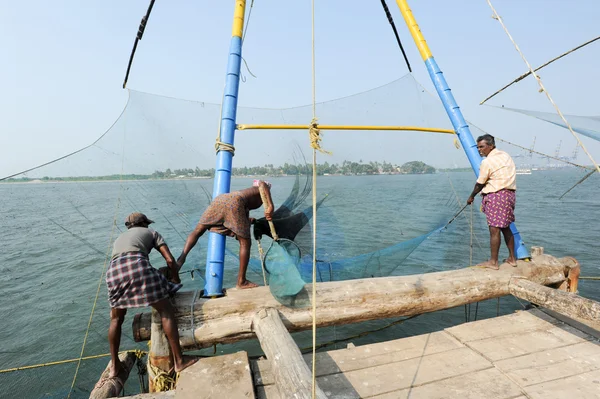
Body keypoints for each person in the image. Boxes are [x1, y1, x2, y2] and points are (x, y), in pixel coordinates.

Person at [106, 212, 197, 378]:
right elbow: (170, 261)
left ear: (129, 226)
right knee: (166, 312)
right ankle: (179, 361)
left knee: (116, 319)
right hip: (139, 269)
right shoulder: (152, 233)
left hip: (114, 273)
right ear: (145, 224)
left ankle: (114, 366)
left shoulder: (120, 238)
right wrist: (175, 280)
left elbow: (125, 262)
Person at [178, 180, 274, 289]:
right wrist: (271, 206)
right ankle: (241, 281)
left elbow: (240, 212)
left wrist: (248, 220)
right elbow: (262, 183)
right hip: (234, 203)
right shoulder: (260, 189)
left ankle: (180, 260)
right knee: (245, 243)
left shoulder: (246, 194)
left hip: (220, 200)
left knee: (198, 230)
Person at [467, 134, 518, 270]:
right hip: (509, 195)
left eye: (482, 147)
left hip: (496, 196)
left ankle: (493, 262)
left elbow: (480, 183)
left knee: (494, 229)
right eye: (478, 148)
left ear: (491, 146)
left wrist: (471, 196)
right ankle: (512, 259)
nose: (479, 150)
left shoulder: (487, 162)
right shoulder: (505, 156)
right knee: (506, 227)